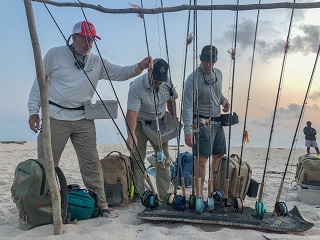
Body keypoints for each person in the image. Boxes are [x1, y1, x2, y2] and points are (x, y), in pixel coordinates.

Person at [28, 21, 151, 218]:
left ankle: (102, 205)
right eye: (85, 38)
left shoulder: (96, 62)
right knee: (46, 163)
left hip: (83, 117)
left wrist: (139, 67)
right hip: (55, 116)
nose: (89, 43)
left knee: (91, 163)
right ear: (74, 37)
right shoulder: (54, 54)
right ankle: (39, 204)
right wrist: (33, 111)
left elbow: (121, 73)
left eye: (92, 39)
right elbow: (39, 83)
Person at [126, 58, 178, 199]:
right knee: (137, 159)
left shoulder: (167, 82)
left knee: (163, 159)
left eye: (161, 81)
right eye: (156, 81)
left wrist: (174, 119)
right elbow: (131, 113)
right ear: (149, 71)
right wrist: (131, 135)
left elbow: (171, 100)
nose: (158, 83)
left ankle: (165, 194)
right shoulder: (136, 86)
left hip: (160, 123)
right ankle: (141, 194)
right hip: (140, 124)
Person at [182, 45, 230, 199]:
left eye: (210, 62)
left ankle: (213, 192)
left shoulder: (219, 74)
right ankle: (198, 196)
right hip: (200, 123)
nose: (207, 65)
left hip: (217, 122)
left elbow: (217, 92)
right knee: (202, 159)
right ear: (200, 59)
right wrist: (188, 131)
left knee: (219, 157)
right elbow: (187, 106)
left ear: (215, 61)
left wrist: (224, 101)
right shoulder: (192, 79)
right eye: (204, 61)